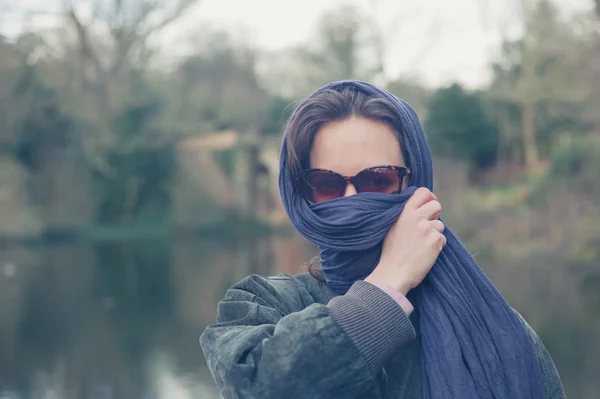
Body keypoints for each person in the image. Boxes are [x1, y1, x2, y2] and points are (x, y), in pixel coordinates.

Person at [200, 80, 565, 399]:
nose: (350, 200)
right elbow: (261, 388)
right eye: (326, 184)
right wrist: (388, 282)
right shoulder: (261, 305)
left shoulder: (497, 331)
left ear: (413, 182)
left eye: (377, 180)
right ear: (303, 194)